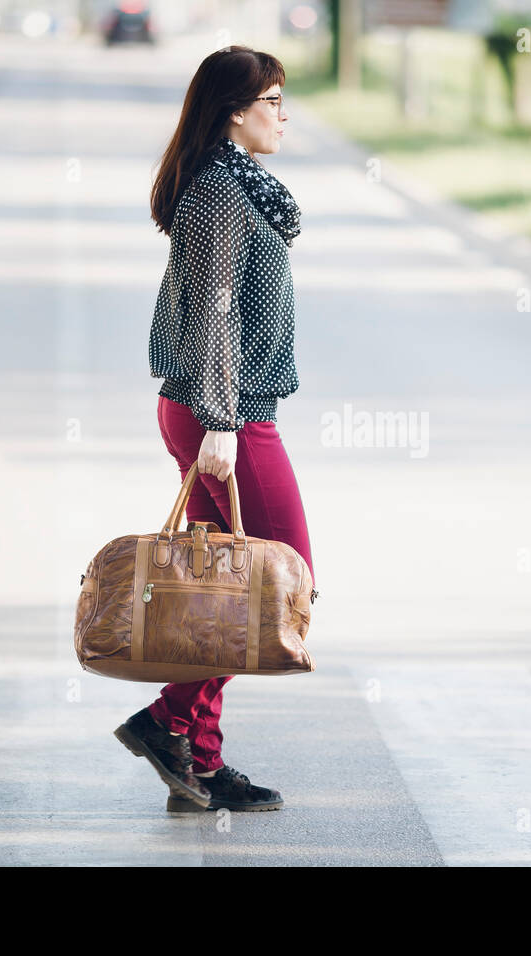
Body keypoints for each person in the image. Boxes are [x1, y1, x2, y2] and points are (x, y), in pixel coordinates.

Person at [115, 45, 315, 814]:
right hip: (222, 412)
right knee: (277, 577)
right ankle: (167, 724)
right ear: (236, 110)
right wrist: (225, 423)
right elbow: (218, 313)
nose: (284, 115)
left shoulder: (234, 185)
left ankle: (197, 758)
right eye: (274, 100)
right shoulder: (219, 193)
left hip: (218, 408)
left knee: (229, 583)